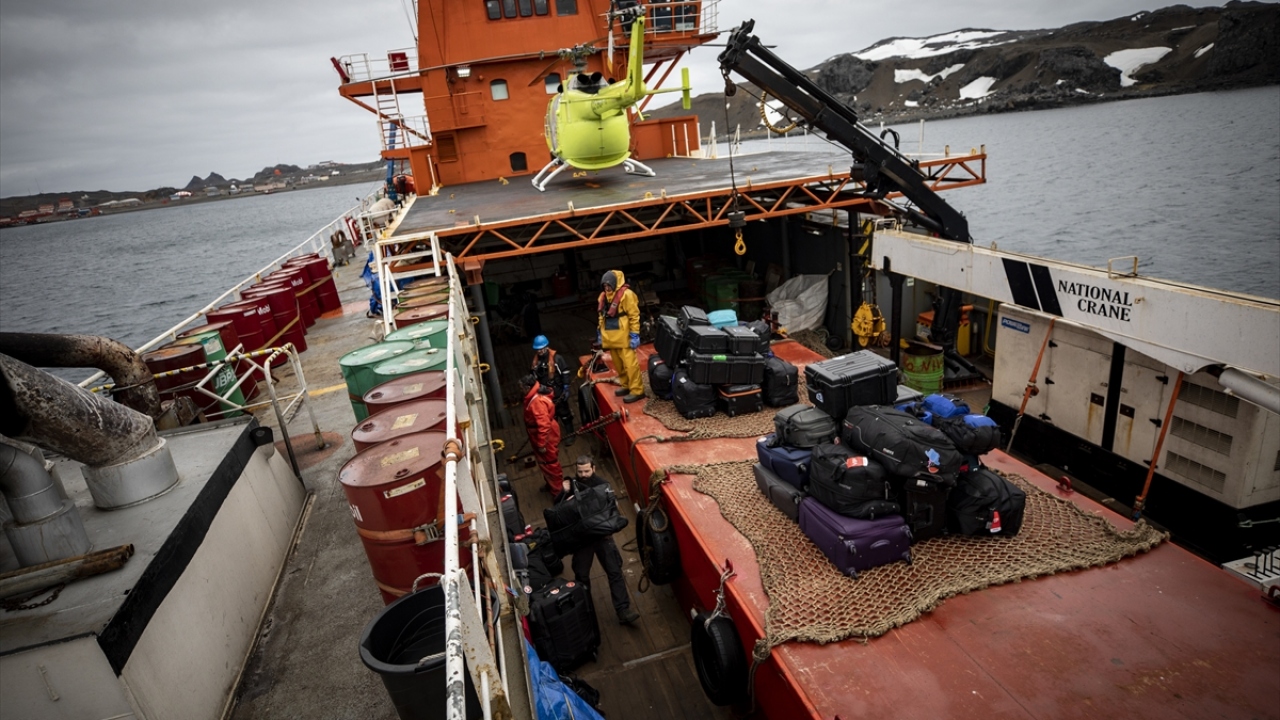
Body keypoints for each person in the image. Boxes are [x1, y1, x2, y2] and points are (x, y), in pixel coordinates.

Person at [559, 455, 639, 625]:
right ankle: (585, 611)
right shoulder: (571, 486)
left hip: (602, 536)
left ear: (593, 468)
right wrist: (564, 494)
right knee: (581, 576)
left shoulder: (603, 484)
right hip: (583, 539)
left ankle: (623, 610)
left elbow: (612, 509)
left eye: (587, 471)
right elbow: (558, 510)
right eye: (580, 471)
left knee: (614, 571)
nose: (583, 474)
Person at [597, 270, 644, 403]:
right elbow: (601, 315)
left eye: (608, 286)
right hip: (611, 337)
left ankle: (637, 390)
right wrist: (599, 332)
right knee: (618, 364)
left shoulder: (627, 295)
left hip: (624, 338)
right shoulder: (603, 297)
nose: (607, 289)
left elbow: (634, 315)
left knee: (630, 365)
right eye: (604, 286)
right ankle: (626, 385)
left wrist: (634, 334)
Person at [520, 374, 563, 498]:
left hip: (545, 436)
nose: (520, 390)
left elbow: (543, 425)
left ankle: (558, 494)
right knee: (545, 462)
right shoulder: (536, 396)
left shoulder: (536, 402)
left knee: (550, 463)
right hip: (541, 434)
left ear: (528, 387)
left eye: (522, 388)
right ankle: (551, 485)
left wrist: (541, 444)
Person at [531, 334, 576, 445]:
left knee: (564, 414)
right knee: (552, 417)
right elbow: (533, 376)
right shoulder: (536, 363)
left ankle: (571, 435)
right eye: (537, 349)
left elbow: (565, 372)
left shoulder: (557, 359)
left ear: (546, 347)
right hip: (544, 394)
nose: (540, 351)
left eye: (541, 348)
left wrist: (566, 387)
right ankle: (556, 437)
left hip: (557, 391)